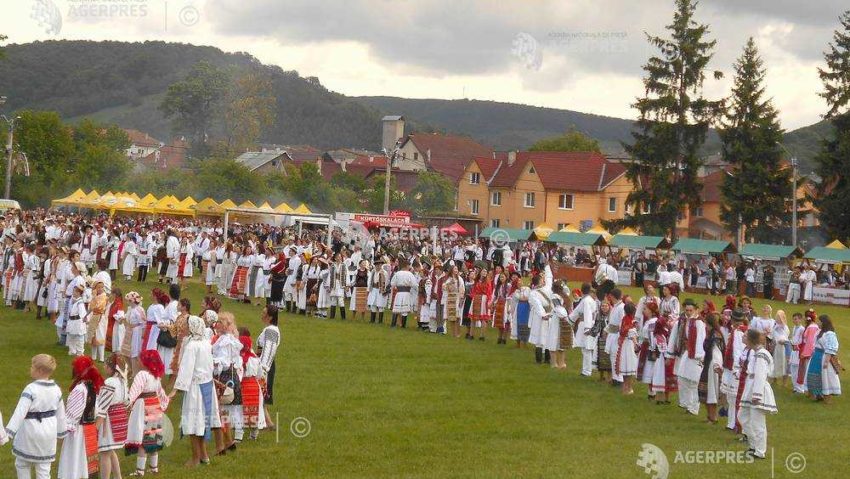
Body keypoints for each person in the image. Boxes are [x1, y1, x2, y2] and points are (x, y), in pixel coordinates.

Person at [5, 354, 66, 479]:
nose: (30, 369)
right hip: (48, 432)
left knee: (22, 463)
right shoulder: (57, 389)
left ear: (40, 370)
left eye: (32, 366)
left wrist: (8, 433)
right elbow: (61, 415)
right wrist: (61, 433)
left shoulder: (31, 389)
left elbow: (20, 412)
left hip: (30, 432)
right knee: (44, 468)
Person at [171, 315, 221, 467]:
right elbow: (210, 366)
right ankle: (204, 455)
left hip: (196, 388)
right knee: (201, 422)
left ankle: (195, 458)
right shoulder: (206, 343)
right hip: (207, 386)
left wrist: (174, 391)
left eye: (186, 326)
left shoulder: (192, 346)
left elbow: (186, 370)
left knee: (193, 423)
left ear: (191, 328)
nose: (184, 328)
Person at [58, 355, 104, 479]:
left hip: (78, 431)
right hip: (90, 429)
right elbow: (97, 409)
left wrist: (63, 429)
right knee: (85, 461)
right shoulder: (93, 387)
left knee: (74, 459)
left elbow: (73, 414)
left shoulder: (80, 389)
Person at [125, 350, 170, 476]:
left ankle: (140, 471)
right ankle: (154, 467)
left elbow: (135, 390)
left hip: (144, 407)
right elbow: (161, 394)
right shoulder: (155, 376)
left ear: (146, 362)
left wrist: (127, 401)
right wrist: (165, 402)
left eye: (141, 359)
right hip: (155, 407)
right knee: (153, 437)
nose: (139, 360)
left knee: (143, 439)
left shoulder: (142, 375)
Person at [739, 329, 778, 459]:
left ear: (751, 339)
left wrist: (757, 395)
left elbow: (761, 375)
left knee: (757, 422)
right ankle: (754, 445)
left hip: (758, 390)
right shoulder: (755, 353)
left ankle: (760, 451)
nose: (743, 337)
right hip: (751, 388)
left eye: (745, 336)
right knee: (743, 416)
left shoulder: (761, 354)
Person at [211, 312, 243, 455]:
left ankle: (226, 443)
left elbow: (223, 362)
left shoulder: (225, 340)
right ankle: (229, 441)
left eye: (218, 322)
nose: (216, 324)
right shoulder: (231, 339)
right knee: (224, 413)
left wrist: (211, 361)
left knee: (221, 411)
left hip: (224, 376)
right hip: (232, 375)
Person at [95, 354, 129, 479]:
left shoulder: (110, 382)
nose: (104, 367)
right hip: (120, 417)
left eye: (106, 365)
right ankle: (118, 477)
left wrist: (96, 426)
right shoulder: (123, 381)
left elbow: (103, 406)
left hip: (109, 420)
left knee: (105, 453)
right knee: (111, 450)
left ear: (111, 368)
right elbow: (127, 401)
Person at [674, 298, 705, 416]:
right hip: (687, 352)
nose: (688, 312)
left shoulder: (699, 322)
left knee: (693, 381)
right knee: (682, 378)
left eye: (690, 310)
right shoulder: (687, 321)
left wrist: (698, 355)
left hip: (696, 354)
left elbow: (701, 339)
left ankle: (694, 407)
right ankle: (686, 403)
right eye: (686, 310)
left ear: (696, 310)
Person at [720, 308, 748, 432]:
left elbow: (738, 352)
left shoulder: (739, 332)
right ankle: (731, 422)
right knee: (731, 397)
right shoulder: (735, 331)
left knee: (735, 397)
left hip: (735, 367)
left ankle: (736, 423)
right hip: (731, 366)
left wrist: (737, 368)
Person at [236, 331, 266, 442]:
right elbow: (260, 374)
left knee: (240, 410)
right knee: (255, 410)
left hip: (242, 386)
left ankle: (238, 436)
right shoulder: (255, 359)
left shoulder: (238, 358)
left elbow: (237, 374)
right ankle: (254, 433)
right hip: (254, 386)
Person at [806, 315, 842, 401]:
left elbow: (830, 347)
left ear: (823, 322)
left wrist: (826, 361)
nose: (817, 322)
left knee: (825, 377)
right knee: (813, 374)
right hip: (816, 357)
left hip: (823, 357)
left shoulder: (829, 334)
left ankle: (826, 397)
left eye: (819, 321)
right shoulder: (819, 332)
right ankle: (816, 394)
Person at [257, 305, 281, 430]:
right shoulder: (269, 329)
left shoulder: (271, 330)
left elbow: (268, 350)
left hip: (265, 365)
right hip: (263, 363)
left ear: (270, 317)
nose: (262, 314)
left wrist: (262, 368)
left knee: (260, 393)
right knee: (259, 394)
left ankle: (266, 423)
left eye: (264, 313)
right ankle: (268, 423)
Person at [699, 312, 725, 424]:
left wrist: (716, 365)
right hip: (707, 363)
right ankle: (709, 416)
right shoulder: (710, 334)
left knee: (711, 391)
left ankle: (713, 417)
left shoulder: (716, 336)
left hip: (713, 365)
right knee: (705, 390)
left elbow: (717, 352)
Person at [570, 282, 597, 377]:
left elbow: (587, 314)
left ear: (581, 291)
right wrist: (570, 320)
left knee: (587, 349)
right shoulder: (587, 300)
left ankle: (587, 371)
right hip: (587, 324)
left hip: (586, 324)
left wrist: (587, 328)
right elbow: (576, 312)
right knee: (585, 349)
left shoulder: (586, 301)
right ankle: (587, 369)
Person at [615, 302, 639, 395]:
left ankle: (625, 387)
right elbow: (632, 335)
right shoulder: (632, 321)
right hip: (629, 344)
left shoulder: (623, 320)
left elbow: (621, 331)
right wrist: (636, 344)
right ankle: (629, 388)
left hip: (623, 343)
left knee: (625, 366)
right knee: (629, 366)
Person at [796, 310, 820, 394]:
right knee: (804, 369)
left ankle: (806, 389)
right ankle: (804, 389)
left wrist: (805, 353)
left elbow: (810, 342)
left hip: (809, 352)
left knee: (805, 370)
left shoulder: (812, 327)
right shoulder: (812, 326)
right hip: (808, 349)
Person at [390, 259, 417, 328]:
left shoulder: (397, 273)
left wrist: (397, 286)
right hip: (406, 293)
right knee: (404, 310)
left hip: (399, 293)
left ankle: (393, 324)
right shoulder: (410, 274)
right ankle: (403, 326)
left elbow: (392, 283)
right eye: (409, 265)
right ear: (407, 266)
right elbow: (414, 284)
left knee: (397, 308)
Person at [769, 310, 790, 387]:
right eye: (777, 316)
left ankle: (784, 382)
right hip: (777, 347)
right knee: (776, 362)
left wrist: (782, 340)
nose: (778, 318)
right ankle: (775, 379)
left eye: (780, 317)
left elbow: (786, 335)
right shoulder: (775, 326)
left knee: (785, 363)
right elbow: (773, 335)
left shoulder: (785, 326)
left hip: (784, 347)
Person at [788, 313, 806, 393]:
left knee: (799, 370)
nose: (794, 321)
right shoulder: (794, 327)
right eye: (793, 319)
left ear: (800, 319)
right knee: (793, 369)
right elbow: (793, 338)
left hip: (798, 350)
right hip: (793, 350)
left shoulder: (802, 329)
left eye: (796, 319)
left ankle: (800, 388)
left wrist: (797, 346)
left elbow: (802, 341)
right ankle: (795, 387)